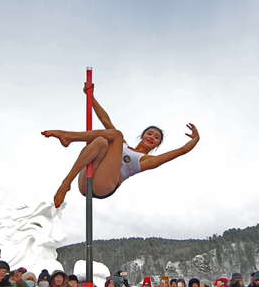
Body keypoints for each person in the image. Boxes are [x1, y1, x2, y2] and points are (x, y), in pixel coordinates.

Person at [43, 81, 200, 207]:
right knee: (101, 140)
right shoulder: (121, 144)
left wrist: (195, 139)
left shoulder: (148, 160)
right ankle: (66, 183)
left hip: (104, 187)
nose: (152, 136)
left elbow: (183, 150)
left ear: (157, 145)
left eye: (157, 137)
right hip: (85, 182)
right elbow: (105, 120)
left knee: (115, 135)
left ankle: (69, 137)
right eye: (150, 133)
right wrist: (90, 96)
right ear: (143, 135)